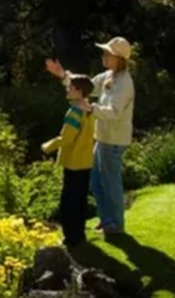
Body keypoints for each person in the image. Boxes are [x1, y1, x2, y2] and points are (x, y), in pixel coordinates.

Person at [45, 36, 136, 235]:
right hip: (102, 137)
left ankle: (116, 225)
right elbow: (85, 86)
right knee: (95, 180)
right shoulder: (108, 76)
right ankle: (107, 220)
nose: (103, 56)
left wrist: (90, 107)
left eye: (107, 53)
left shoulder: (125, 83)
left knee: (110, 182)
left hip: (114, 140)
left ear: (118, 58)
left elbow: (114, 112)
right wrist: (63, 75)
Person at [42, 74, 96, 247]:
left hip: (73, 162)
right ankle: (79, 235)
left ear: (79, 91)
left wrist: (47, 146)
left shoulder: (75, 111)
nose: (67, 89)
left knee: (69, 202)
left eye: (71, 87)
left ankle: (70, 237)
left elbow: (66, 138)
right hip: (85, 161)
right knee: (80, 200)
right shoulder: (89, 109)